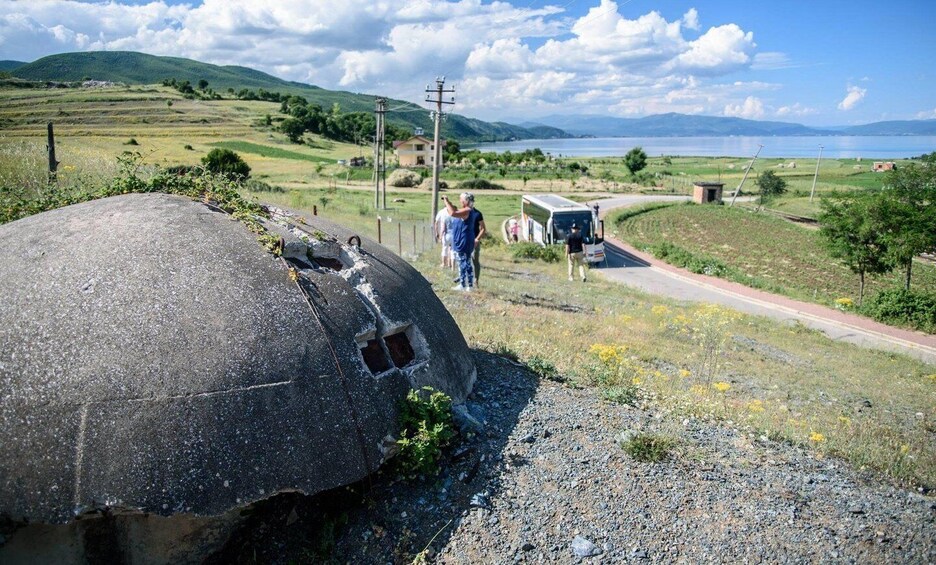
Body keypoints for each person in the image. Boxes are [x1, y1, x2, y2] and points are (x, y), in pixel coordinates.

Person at [443, 192, 481, 291]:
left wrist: (446, 201)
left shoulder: (467, 211)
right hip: (463, 240)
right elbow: (454, 209)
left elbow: (452, 213)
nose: (460, 201)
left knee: (463, 262)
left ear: (465, 201)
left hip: (464, 241)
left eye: (461, 199)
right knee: (465, 262)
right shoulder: (467, 210)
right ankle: (468, 285)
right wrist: (449, 203)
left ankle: (464, 284)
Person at [468, 194, 486, 286]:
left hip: (474, 240)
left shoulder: (477, 214)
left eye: (471, 201)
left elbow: (483, 228)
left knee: (475, 260)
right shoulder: (463, 213)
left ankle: (476, 279)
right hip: (465, 240)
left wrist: (477, 239)